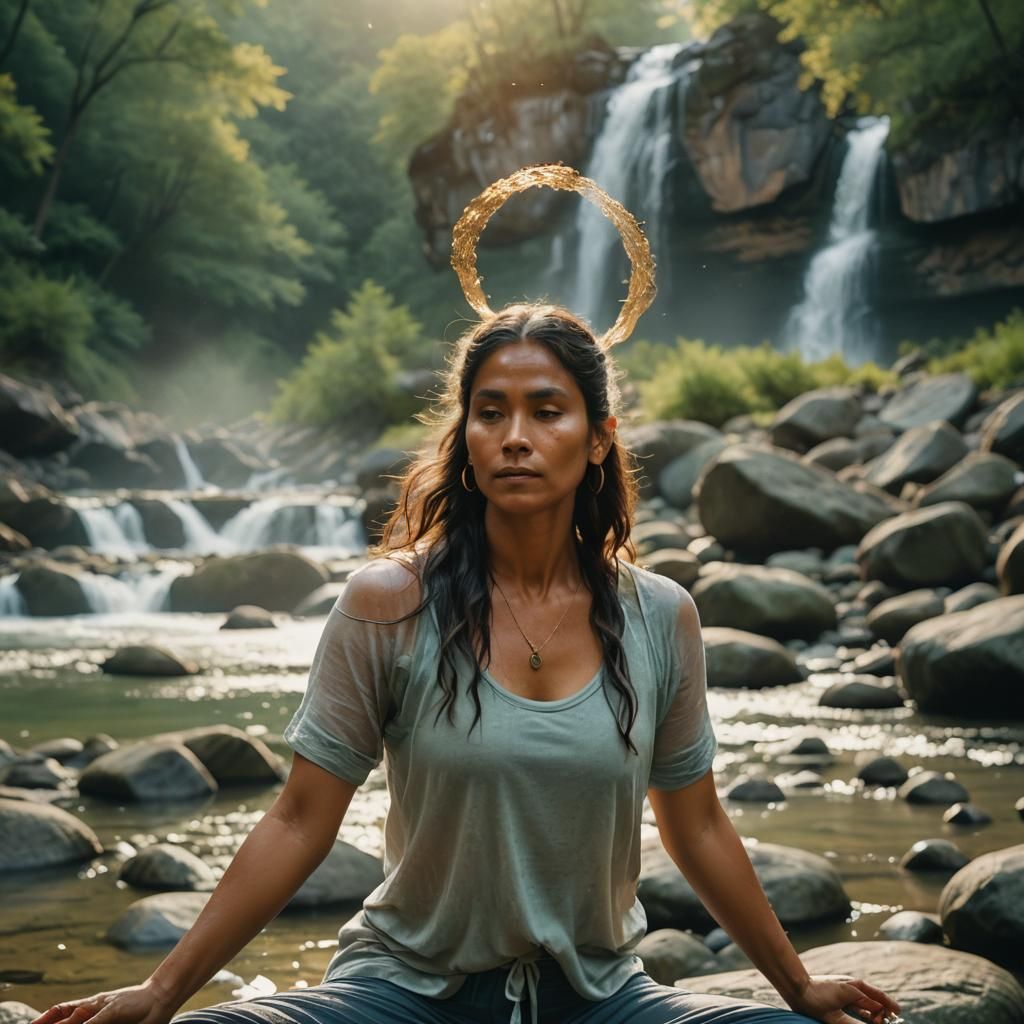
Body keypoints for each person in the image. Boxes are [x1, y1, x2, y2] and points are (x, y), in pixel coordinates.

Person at [31, 301, 904, 1024]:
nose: (515, 436)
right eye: (491, 413)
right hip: (403, 993)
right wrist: (162, 992)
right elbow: (298, 821)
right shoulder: (387, 602)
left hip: (599, 999)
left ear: (599, 438)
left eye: (546, 411)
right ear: (467, 437)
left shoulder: (661, 615)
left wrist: (798, 986)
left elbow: (699, 826)